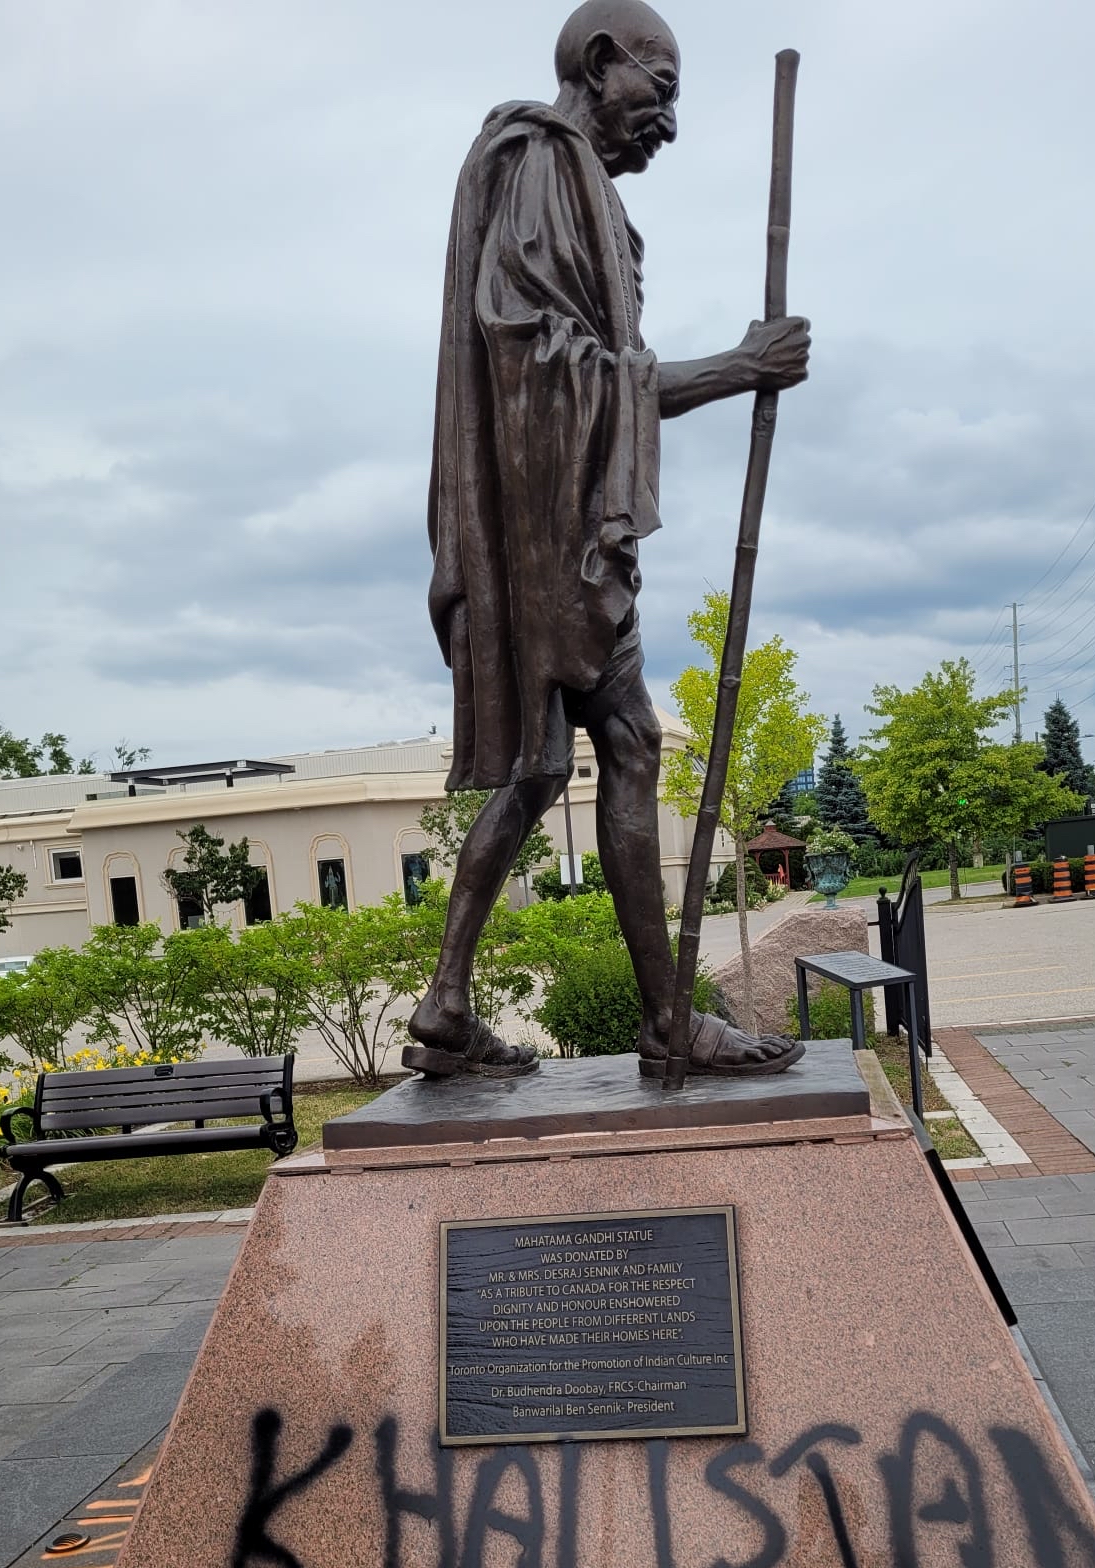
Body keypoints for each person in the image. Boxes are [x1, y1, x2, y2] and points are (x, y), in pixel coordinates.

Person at [403, 0, 812, 1081]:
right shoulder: (543, 161)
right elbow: (543, 364)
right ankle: (668, 1019)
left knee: (541, 766)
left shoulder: (574, 189)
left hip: (549, 530)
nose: (669, 124)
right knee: (624, 745)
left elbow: (584, 366)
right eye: (660, 88)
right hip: (548, 540)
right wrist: (738, 368)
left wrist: (730, 368)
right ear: (598, 63)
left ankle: (448, 1005)